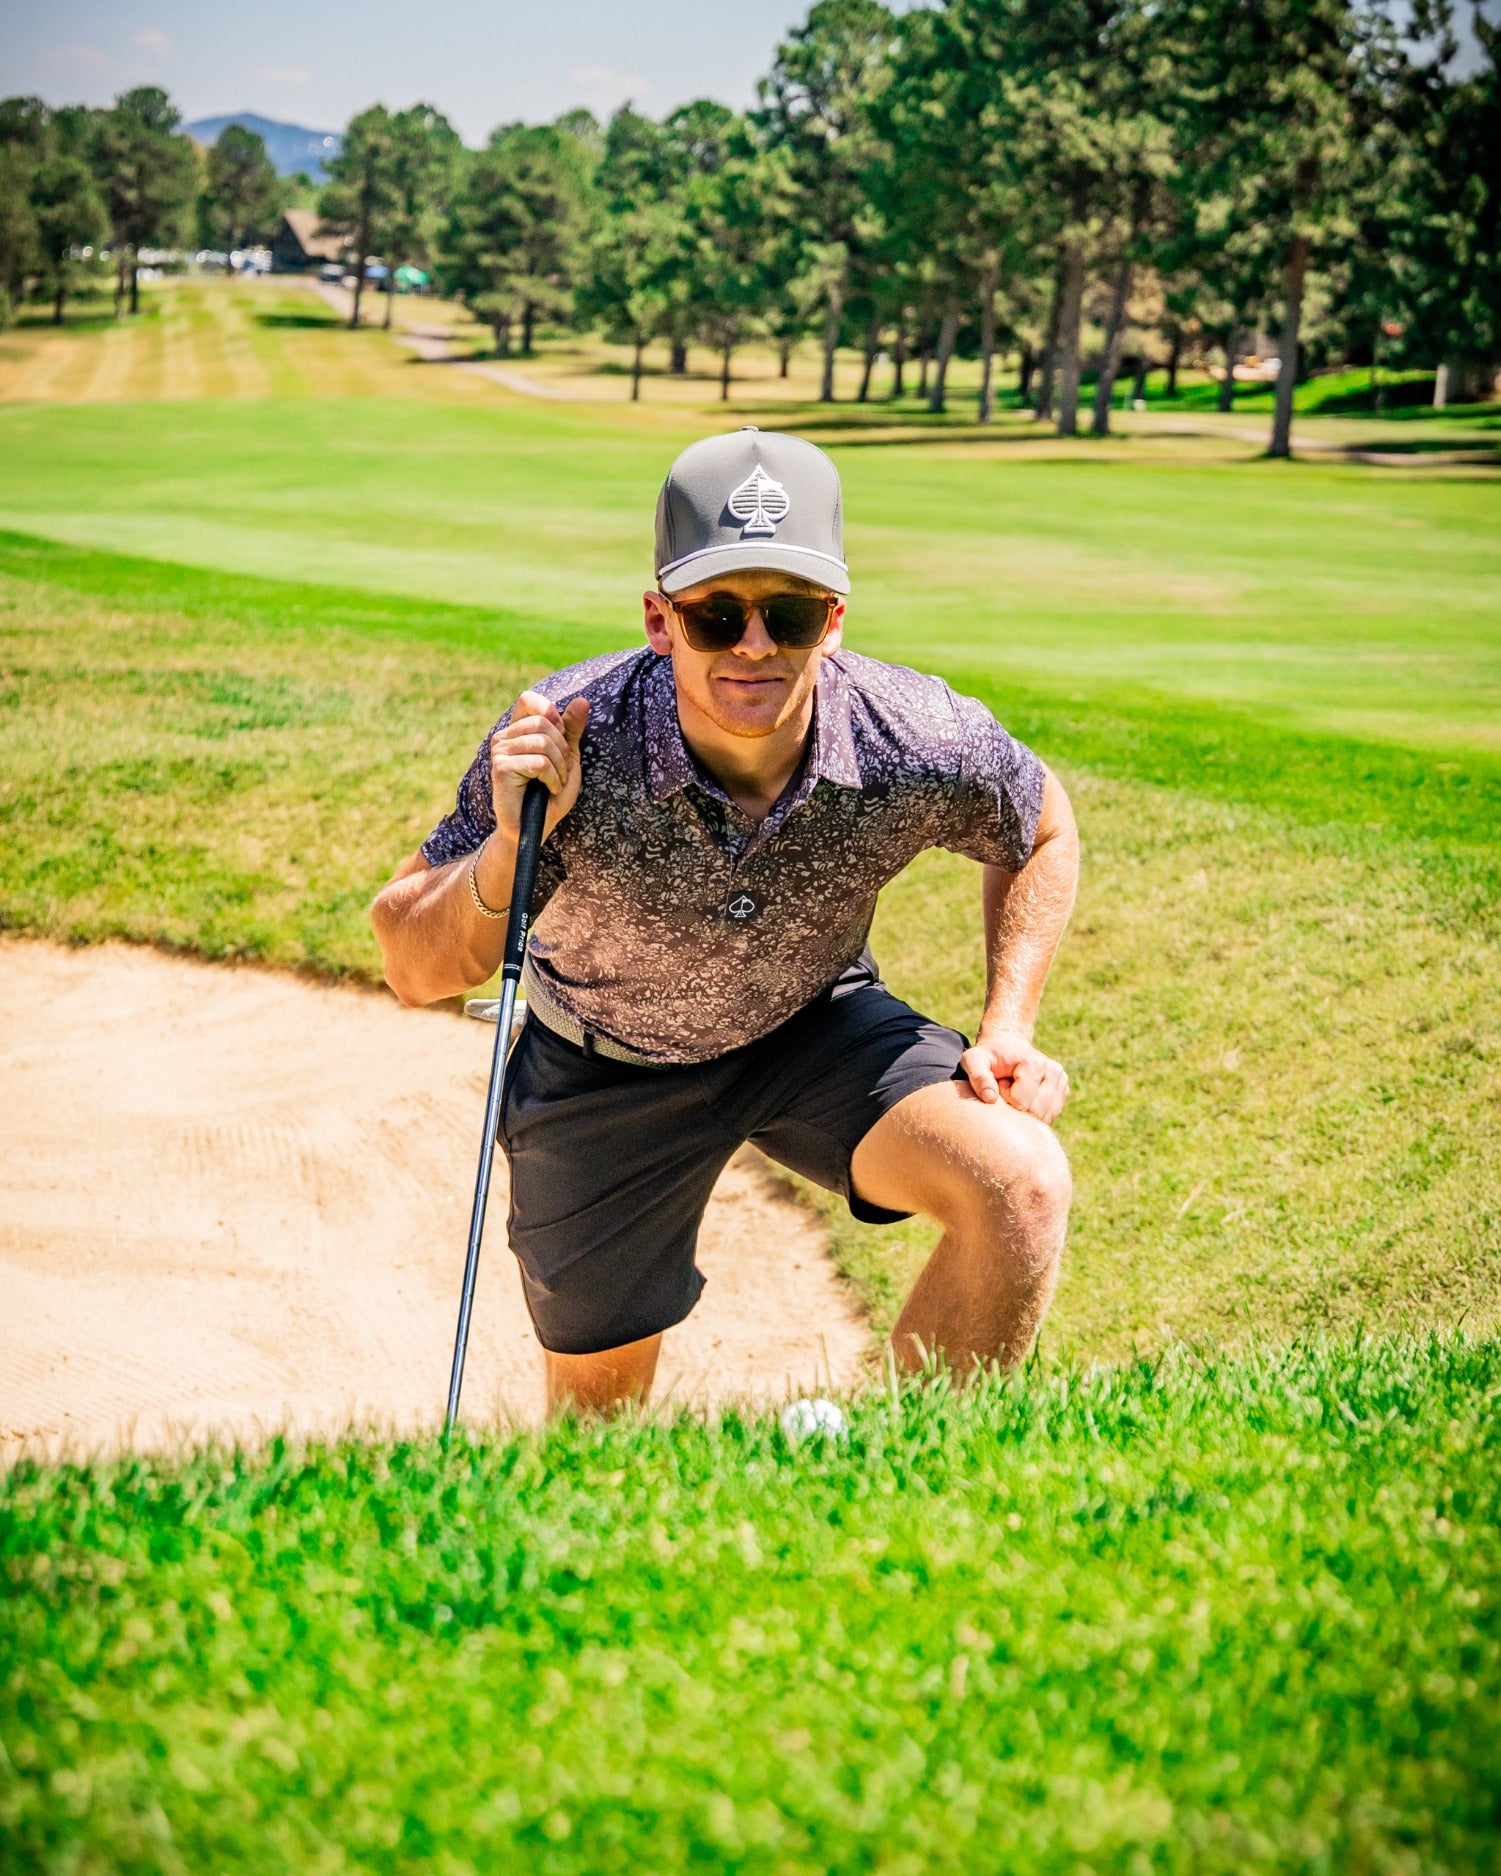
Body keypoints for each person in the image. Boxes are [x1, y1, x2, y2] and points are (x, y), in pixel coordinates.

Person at [372, 429, 1078, 1414]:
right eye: (715, 614)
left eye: (786, 613)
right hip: (601, 1066)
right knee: (597, 1432)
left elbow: (1041, 826)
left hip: (815, 1028)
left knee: (1021, 1184)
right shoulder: (572, 736)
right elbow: (411, 962)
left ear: (831, 621)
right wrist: (511, 840)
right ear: (660, 619)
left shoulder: (913, 731)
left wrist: (1008, 1024)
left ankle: (913, 1487)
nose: (754, 645)